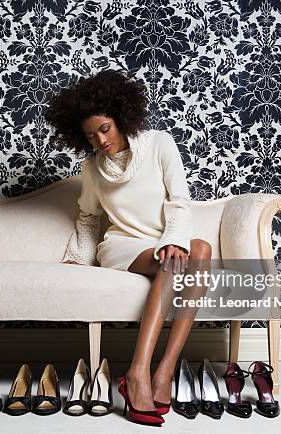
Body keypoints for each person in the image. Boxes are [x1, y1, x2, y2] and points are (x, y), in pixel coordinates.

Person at [45, 69, 212, 426]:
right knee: (170, 262)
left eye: (104, 129)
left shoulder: (159, 144)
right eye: (90, 136)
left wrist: (172, 240)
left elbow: (180, 201)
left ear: (121, 118)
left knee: (200, 249)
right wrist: (78, 258)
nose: (100, 140)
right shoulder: (92, 169)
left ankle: (164, 371)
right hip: (122, 246)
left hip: (161, 240)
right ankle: (138, 374)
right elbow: (89, 218)